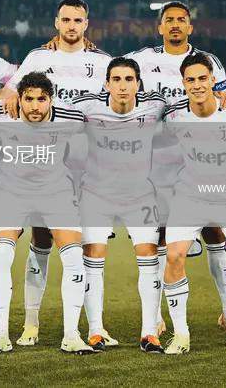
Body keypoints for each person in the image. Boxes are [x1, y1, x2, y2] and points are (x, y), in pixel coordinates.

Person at [124, 1, 226, 343]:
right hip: (158, 161)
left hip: (201, 160)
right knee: (161, 236)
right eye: (169, 20)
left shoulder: (209, 61)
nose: (175, 25)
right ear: (160, 27)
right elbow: (114, 75)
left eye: (181, 20)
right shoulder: (143, 59)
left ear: (190, 27)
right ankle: (157, 317)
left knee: (216, 232)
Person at [3, 0, 114, 347]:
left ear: (86, 24)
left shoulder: (102, 62)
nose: (71, 26)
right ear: (56, 22)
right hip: (43, 163)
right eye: (66, 20)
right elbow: (10, 95)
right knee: (41, 241)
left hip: (87, 166)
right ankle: (31, 324)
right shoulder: (39, 58)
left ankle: (94, 327)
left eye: (78, 20)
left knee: (90, 247)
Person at [162, 53, 226, 356]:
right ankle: (181, 335)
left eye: (202, 78)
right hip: (189, 197)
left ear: (213, 80)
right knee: (174, 256)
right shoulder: (173, 116)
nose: (197, 85)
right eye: (190, 80)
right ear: (183, 83)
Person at [0, 71, 93, 354]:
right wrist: (3, 94)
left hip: (56, 194)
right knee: (1, 256)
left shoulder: (70, 118)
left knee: (74, 259)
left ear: (51, 100)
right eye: (28, 99)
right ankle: (1, 335)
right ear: (18, 99)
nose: (34, 106)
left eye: (41, 100)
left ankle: (72, 335)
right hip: (11, 194)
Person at [73, 58, 167, 353]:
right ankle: (95, 331)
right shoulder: (88, 107)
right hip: (96, 195)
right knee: (93, 257)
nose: (122, 86)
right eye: (116, 79)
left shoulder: (155, 106)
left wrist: (221, 93)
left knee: (148, 257)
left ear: (138, 84)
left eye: (129, 79)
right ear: (106, 84)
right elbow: (49, 107)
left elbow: (186, 103)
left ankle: (149, 333)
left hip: (140, 196)